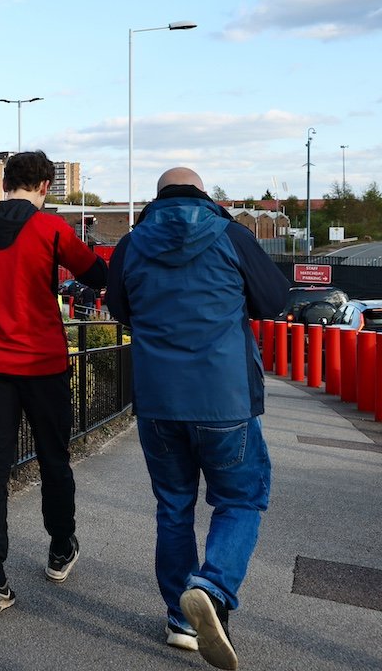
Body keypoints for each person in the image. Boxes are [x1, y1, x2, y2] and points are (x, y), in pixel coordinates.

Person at [106, 167, 288, 669]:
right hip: (225, 398)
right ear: (204, 195)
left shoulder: (132, 243)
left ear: (158, 198)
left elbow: (119, 307)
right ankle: (213, 584)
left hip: (159, 402)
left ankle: (182, 619)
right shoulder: (230, 234)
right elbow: (274, 299)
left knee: (173, 506)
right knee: (241, 499)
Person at [0, 150, 108, 616]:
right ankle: (60, 550)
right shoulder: (52, 229)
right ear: (45, 186)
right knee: (55, 460)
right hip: (44, 365)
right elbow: (96, 274)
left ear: (4, 182)